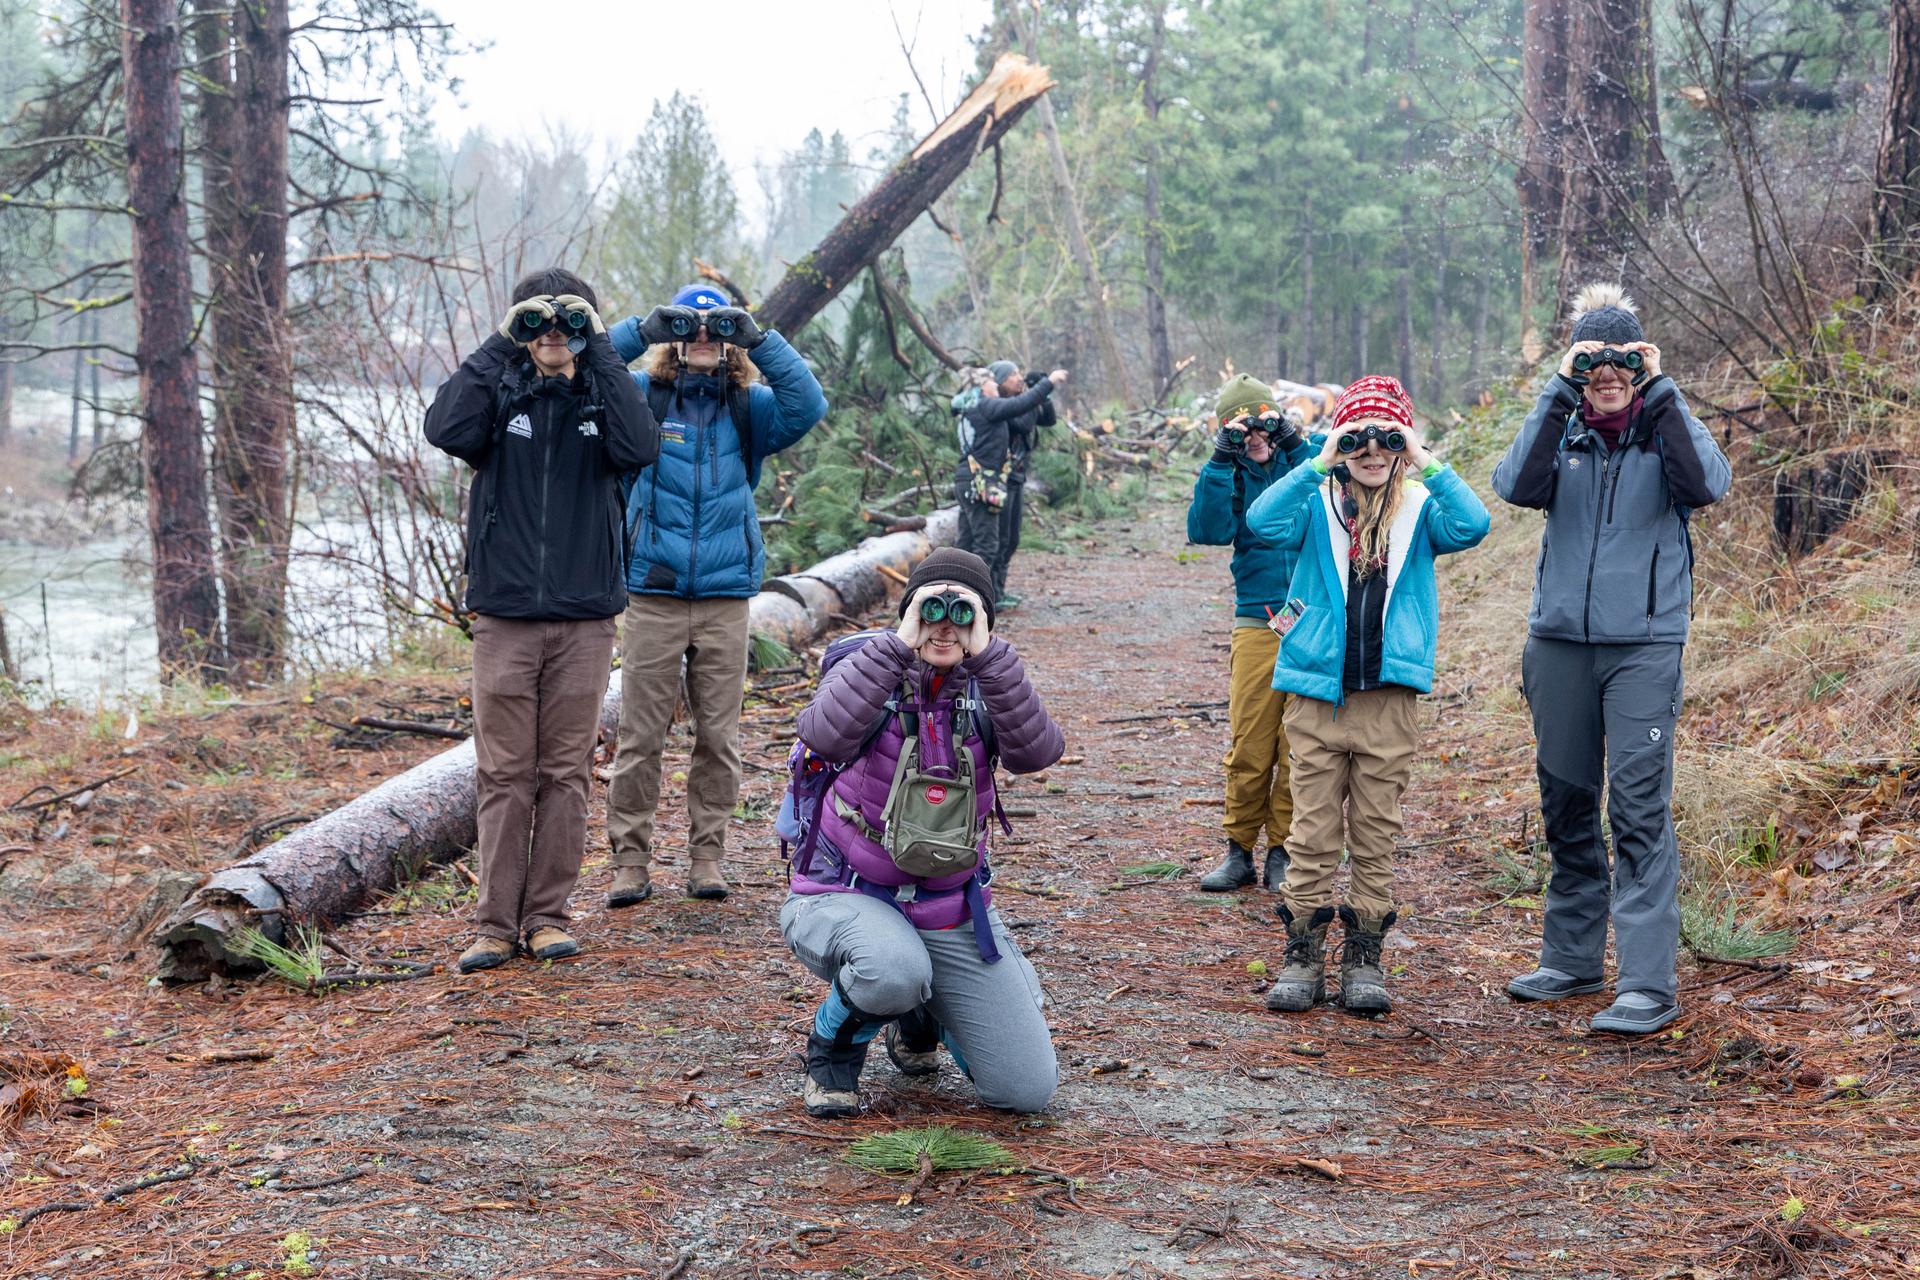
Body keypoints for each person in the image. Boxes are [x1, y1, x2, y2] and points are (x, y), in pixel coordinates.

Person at [1492, 285, 1731, 1035]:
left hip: (1644, 649)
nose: (1607, 373)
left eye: (1621, 360)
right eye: (1593, 361)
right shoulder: (1560, 433)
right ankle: (1570, 959)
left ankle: (1647, 984)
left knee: (1635, 809)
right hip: (1559, 643)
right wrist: (1558, 387)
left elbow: (1708, 485)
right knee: (1566, 802)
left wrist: (1662, 392)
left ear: (1641, 364)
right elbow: (1515, 487)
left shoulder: (1665, 432)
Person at [424, 268, 660, 973]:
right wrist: (503, 342)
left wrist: (600, 348)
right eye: (539, 321)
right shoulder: (498, 395)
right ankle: (494, 925)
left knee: (564, 773)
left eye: (568, 321)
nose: (553, 333)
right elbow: (443, 426)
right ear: (520, 327)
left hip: (585, 618)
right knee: (503, 773)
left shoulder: (605, 396)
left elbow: (640, 447)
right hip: (505, 615)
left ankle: (548, 917)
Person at [780, 548, 1065, 1117]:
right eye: (929, 608)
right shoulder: (868, 666)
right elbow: (824, 733)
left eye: (962, 614)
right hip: (847, 895)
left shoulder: (989, 683)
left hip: (948, 909)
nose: (944, 624)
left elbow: (1037, 753)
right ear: (910, 609)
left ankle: (922, 1012)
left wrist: (990, 657)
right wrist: (896, 643)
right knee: (893, 972)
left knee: (1025, 1090)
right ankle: (834, 1046)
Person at [1245, 375, 1490, 1016]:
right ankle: (1302, 953)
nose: (1371, 452)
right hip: (1316, 695)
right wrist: (1317, 460)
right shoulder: (1317, 502)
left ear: (1402, 445)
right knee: (1313, 830)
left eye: (1387, 440)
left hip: (1388, 698)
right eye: (1359, 440)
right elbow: (1260, 521)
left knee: (1377, 832)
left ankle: (1364, 956)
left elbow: (1475, 523)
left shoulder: (1420, 510)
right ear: (1342, 446)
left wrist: (1427, 460)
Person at [603, 283, 828, 904]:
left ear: (732, 340)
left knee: (718, 736)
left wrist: (759, 336)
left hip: (728, 594)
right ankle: (630, 862)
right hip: (653, 589)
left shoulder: (748, 407)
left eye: (717, 327)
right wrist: (641, 330)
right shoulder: (643, 397)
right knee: (641, 735)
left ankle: (707, 858)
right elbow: (591, 373)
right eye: (690, 325)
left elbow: (809, 404)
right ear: (673, 334)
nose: (703, 336)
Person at [1185, 374, 1315, 893]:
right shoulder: (1228, 473)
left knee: (1298, 744)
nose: (1254, 437)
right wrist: (1221, 460)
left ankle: (1282, 850)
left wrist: (1292, 443)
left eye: (1261, 423)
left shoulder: (1308, 456)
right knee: (1251, 742)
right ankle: (1238, 849)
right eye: (1241, 430)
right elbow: (1207, 530)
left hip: (1312, 615)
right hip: (1257, 618)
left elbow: (1340, 490)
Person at [952, 363, 1066, 608]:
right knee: (987, 544)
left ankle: (971, 597)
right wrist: (1047, 384)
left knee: (971, 542)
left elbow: (1042, 417)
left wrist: (1040, 393)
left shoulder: (976, 406)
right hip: (982, 482)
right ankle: (975, 601)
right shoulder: (988, 406)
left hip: (978, 480)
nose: (1018, 378)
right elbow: (1021, 414)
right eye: (996, 380)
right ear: (984, 386)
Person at [990, 361, 1059, 609]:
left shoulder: (1023, 402)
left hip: (1017, 478)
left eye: (1020, 374)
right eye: (1013, 375)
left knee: (1012, 539)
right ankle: (992, 594)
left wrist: (1044, 395)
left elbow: (1048, 420)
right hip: (1001, 480)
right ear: (998, 381)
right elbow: (1024, 423)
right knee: (999, 538)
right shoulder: (999, 406)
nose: (1019, 379)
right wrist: (1037, 390)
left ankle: (1000, 589)